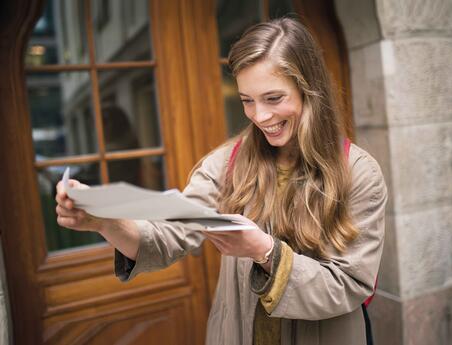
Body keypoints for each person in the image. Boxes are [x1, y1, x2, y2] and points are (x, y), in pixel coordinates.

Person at [55, 18, 387, 345]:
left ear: (310, 91)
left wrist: (265, 251)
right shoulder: (227, 162)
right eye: (247, 100)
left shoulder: (359, 173)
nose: (260, 116)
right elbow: (169, 235)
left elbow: (349, 285)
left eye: (273, 99)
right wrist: (105, 222)